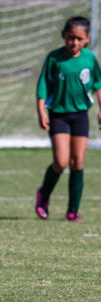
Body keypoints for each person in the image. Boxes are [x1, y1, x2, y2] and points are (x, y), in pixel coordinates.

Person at [35, 16, 101, 222]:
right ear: (63, 35)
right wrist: (41, 111)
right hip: (58, 114)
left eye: (80, 39)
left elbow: (98, 84)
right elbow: (43, 86)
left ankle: (73, 211)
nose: (74, 42)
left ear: (87, 39)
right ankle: (44, 194)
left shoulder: (89, 59)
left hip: (80, 114)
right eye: (71, 37)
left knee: (78, 161)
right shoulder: (54, 58)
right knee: (61, 161)